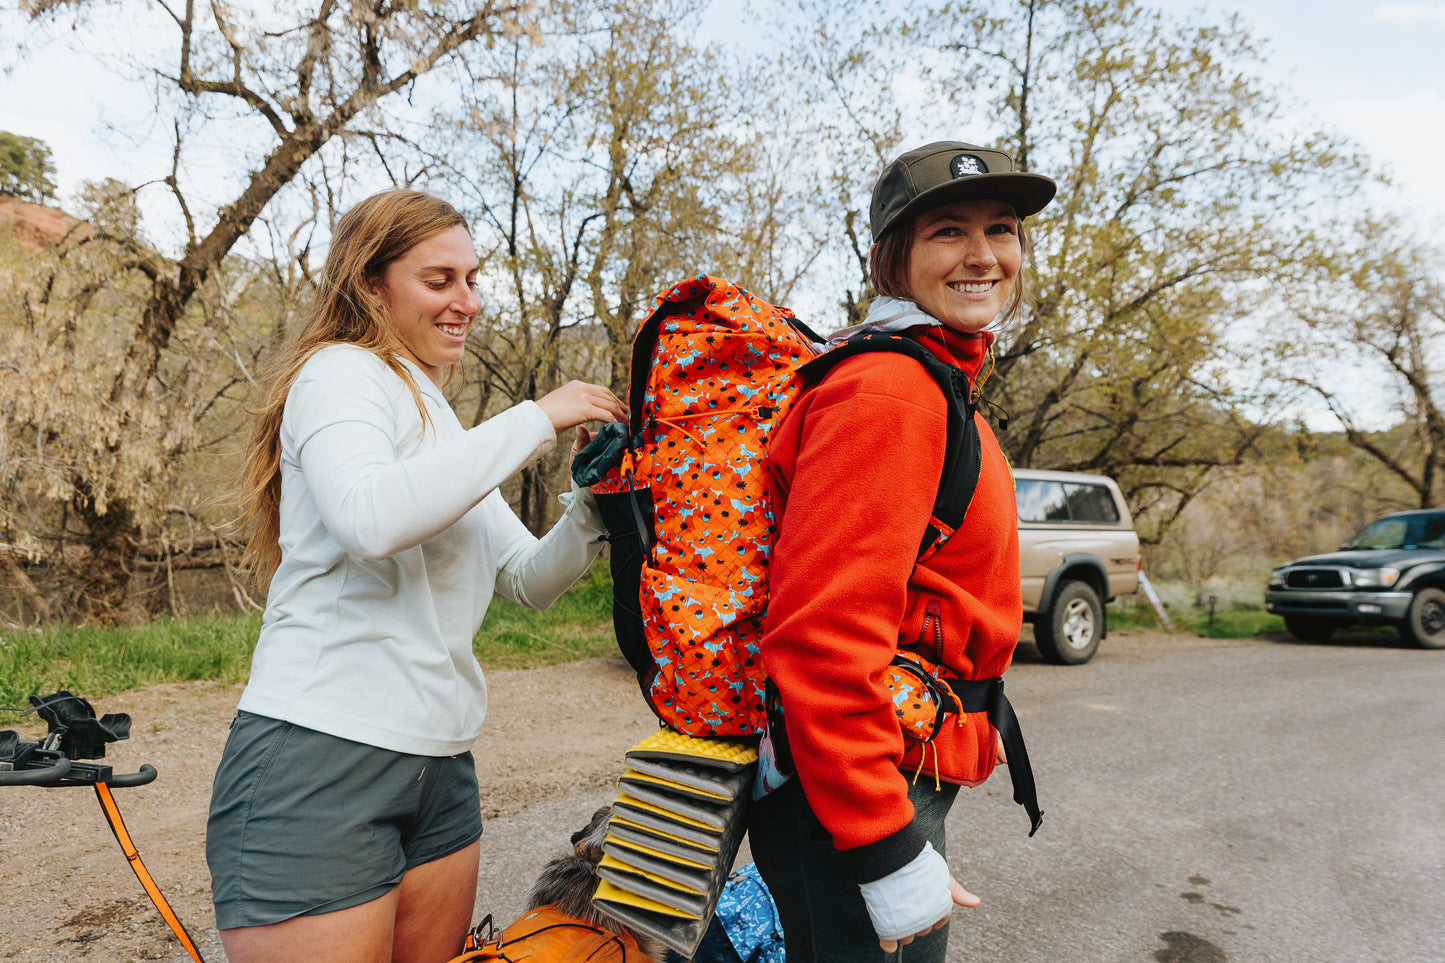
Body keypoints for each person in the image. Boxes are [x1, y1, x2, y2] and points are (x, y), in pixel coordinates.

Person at [207, 189, 628, 963]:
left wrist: (593, 508)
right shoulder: (340, 374)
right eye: (440, 280)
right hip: (323, 751)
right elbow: (370, 518)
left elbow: (525, 576)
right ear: (370, 284)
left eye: (472, 279)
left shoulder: (439, 417)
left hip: (439, 761)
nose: (465, 301)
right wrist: (538, 416)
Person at [748, 142, 1056, 961]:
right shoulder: (888, 392)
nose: (984, 256)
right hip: (857, 788)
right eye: (947, 232)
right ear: (894, 259)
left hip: (885, 767)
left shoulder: (935, 379)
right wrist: (884, 844)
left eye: (1001, 229)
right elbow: (819, 639)